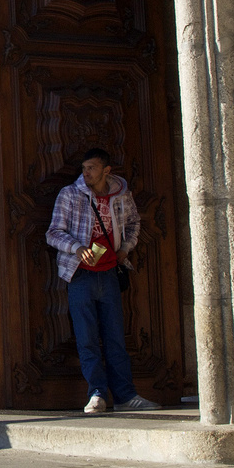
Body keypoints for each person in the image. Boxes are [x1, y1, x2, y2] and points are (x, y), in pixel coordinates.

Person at [45, 149, 160, 414]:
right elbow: (53, 233)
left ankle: (126, 395)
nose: (86, 173)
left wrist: (126, 248)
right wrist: (75, 247)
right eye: (84, 168)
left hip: (109, 273)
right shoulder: (70, 194)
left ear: (106, 171)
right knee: (87, 337)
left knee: (115, 338)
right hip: (80, 274)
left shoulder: (120, 195)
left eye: (92, 168)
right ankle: (97, 393)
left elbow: (133, 223)